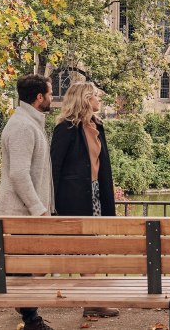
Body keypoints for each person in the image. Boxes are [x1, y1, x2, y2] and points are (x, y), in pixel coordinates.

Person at [50, 82, 118, 318]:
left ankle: (93, 301)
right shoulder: (66, 128)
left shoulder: (97, 125)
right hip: (73, 198)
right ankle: (92, 302)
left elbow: (103, 166)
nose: (99, 100)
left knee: (93, 249)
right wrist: (52, 206)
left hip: (95, 194)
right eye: (96, 96)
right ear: (86, 99)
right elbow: (54, 168)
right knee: (84, 250)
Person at [0, 74, 55, 330]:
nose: (53, 98)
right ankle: (32, 320)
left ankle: (31, 319)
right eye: (51, 94)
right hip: (21, 213)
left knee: (21, 269)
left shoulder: (29, 123)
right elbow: (18, 174)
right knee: (22, 267)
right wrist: (39, 209)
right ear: (39, 97)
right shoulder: (22, 126)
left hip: (25, 213)